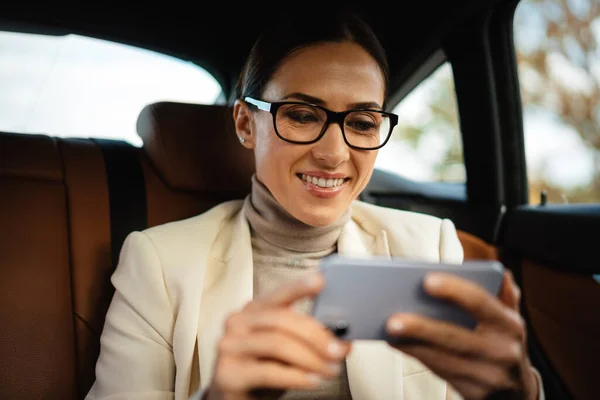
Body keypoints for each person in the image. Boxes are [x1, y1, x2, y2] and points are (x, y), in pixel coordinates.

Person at [86, 7, 544, 400]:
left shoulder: (429, 245)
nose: (333, 153)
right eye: (302, 115)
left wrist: (519, 390)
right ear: (246, 124)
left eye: (362, 122)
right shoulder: (158, 263)